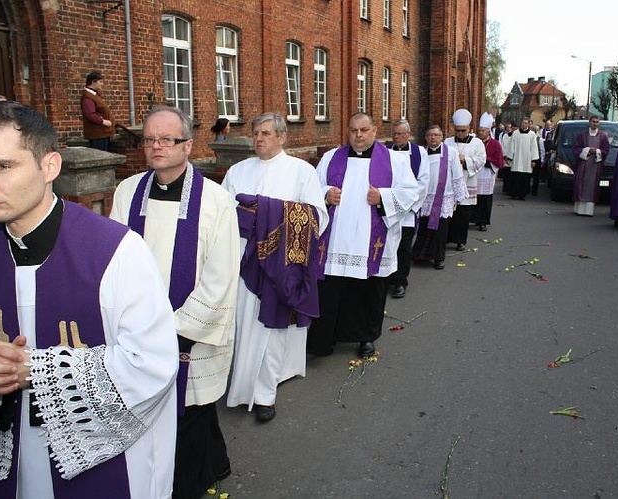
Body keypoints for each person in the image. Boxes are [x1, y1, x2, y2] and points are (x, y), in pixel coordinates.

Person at [0, 102, 178, 498]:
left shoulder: (116, 251)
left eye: (2, 167)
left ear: (50, 167)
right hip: (15, 454)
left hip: (105, 459)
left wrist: (38, 371)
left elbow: (153, 363)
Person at [110, 105, 239, 499]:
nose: (156, 146)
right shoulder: (127, 192)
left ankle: (188, 486)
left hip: (188, 335)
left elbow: (220, 277)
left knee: (192, 412)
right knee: (146, 412)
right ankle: (210, 465)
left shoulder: (216, 201)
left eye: (167, 139)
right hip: (138, 330)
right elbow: (112, 262)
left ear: (187, 145)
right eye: (149, 139)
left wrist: (180, 331)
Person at [222, 112, 328, 422]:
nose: (258, 138)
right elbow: (220, 212)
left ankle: (265, 394)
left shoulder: (301, 171)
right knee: (242, 326)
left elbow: (317, 217)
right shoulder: (237, 171)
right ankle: (238, 384)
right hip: (242, 261)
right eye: (256, 133)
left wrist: (268, 214)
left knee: (270, 331)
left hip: (279, 265)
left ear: (282, 137)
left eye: (266, 133)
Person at [306, 112, 418, 358]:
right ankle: (324, 340)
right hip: (336, 240)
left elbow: (412, 192)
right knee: (331, 290)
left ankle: (366, 337)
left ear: (375, 131)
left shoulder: (394, 161)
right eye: (353, 130)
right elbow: (311, 187)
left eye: (364, 130)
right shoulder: (330, 158)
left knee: (369, 291)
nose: (358, 135)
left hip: (372, 243)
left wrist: (383, 198)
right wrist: (325, 194)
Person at [412, 125, 467, 267]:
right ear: (426, 138)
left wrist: (458, 194)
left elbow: (457, 172)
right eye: (430, 135)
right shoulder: (422, 152)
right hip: (425, 197)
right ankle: (421, 254)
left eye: (436, 135)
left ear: (442, 137)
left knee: (440, 230)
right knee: (424, 226)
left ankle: (438, 257)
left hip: (444, 196)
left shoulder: (451, 152)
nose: (433, 138)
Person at [386, 119, 430, 298]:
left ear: (408, 133)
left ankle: (400, 282)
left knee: (403, 248)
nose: (397, 137)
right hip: (388, 207)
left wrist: (406, 204)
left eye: (400, 133)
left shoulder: (419, 153)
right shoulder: (385, 151)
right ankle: (386, 278)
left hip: (407, 210)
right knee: (387, 245)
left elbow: (424, 181)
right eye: (394, 133)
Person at [445, 109, 486, 251]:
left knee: (463, 214)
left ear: (469, 129)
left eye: (463, 130)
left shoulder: (477, 143)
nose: (460, 133)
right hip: (450, 183)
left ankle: (460, 241)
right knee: (450, 213)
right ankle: (448, 238)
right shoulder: (448, 142)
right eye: (458, 130)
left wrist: (466, 161)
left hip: (468, 182)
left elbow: (481, 160)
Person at [571, 116, 609, 216]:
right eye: (593, 121)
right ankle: (578, 209)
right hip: (583, 164)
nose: (595, 124)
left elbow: (606, 150)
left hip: (595, 165)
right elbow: (576, 148)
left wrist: (597, 151)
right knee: (581, 184)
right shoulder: (582, 135)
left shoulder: (602, 137)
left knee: (592, 186)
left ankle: (588, 211)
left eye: (597, 122)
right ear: (589, 122)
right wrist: (587, 150)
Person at [473, 113, 503, 231]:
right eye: (479, 130)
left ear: (488, 131)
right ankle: (474, 219)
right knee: (474, 197)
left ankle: (483, 221)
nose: (480, 133)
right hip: (475, 173)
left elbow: (499, 160)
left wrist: (488, 161)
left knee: (484, 198)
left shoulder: (495, 144)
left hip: (486, 173)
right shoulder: (474, 142)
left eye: (483, 131)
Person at [80, 71, 115, 151]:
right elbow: (90, 115)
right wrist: (103, 121)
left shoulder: (94, 95)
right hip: (97, 135)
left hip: (103, 134)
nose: (101, 84)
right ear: (93, 82)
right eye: (100, 82)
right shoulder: (87, 97)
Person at [507, 118, 540, 200]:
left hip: (527, 159)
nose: (524, 124)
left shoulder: (532, 134)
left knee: (525, 178)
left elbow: (534, 147)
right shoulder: (515, 133)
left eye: (526, 123)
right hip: (517, 158)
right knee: (516, 177)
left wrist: (534, 160)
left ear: (528, 124)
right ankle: (514, 194)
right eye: (523, 123)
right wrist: (510, 157)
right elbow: (512, 146)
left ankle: (522, 194)